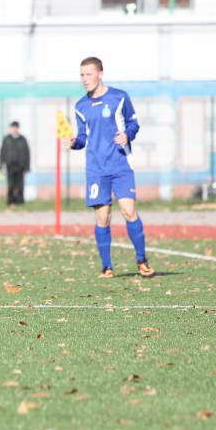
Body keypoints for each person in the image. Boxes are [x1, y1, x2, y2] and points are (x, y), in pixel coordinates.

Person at [67, 57, 155, 278]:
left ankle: (141, 261)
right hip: (96, 169)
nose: (85, 79)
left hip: (120, 164)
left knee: (128, 210)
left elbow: (133, 123)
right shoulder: (81, 106)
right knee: (103, 218)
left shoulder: (119, 97)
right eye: (82, 75)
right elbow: (83, 138)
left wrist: (127, 135)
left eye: (88, 74)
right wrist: (75, 142)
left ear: (100, 74)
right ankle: (107, 267)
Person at [0, 121, 30, 206]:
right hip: (10, 166)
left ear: (18, 128)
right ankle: (10, 201)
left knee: (20, 185)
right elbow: (2, 152)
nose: (14, 129)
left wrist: (27, 166)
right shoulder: (6, 139)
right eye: (13, 127)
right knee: (11, 185)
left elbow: (27, 153)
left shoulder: (23, 139)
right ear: (10, 128)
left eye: (16, 127)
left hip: (20, 166)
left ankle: (20, 202)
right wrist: (1, 165)